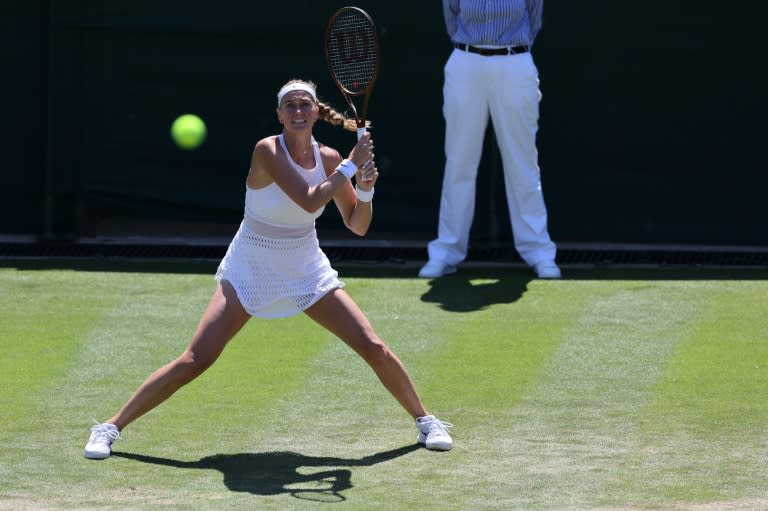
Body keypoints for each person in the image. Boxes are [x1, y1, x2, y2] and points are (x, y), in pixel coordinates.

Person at [84, 79, 453, 459]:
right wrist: (351, 165)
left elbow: (357, 224)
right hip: (251, 264)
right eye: (289, 106)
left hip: (305, 265)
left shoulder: (329, 158)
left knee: (372, 346)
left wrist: (366, 189)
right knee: (196, 359)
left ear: (315, 113)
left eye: (304, 105)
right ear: (279, 114)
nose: (297, 112)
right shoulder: (267, 150)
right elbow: (310, 201)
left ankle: (425, 420)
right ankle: (109, 427)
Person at [419, 0, 561, 280]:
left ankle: (539, 253)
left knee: (523, 164)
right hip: (466, 64)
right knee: (459, 162)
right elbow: (452, 15)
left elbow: (534, 19)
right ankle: (446, 252)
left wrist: (509, 51)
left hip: (515, 63)